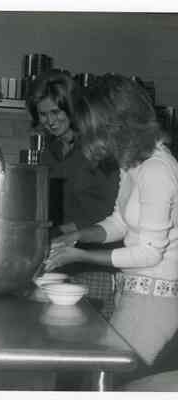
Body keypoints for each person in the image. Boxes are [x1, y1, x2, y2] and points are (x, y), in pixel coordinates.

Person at [45, 74, 178, 377]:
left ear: (118, 123)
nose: (91, 138)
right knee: (105, 377)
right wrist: (78, 237)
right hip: (133, 293)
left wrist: (81, 256)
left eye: (95, 129)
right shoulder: (133, 163)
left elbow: (149, 253)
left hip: (156, 301)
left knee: (112, 379)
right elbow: (119, 222)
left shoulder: (158, 169)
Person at [28, 71, 120, 318]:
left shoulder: (97, 148)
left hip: (95, 261)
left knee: (91, 333)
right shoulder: (50, 152)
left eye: (56, 112)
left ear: (72, 109)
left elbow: (113, 210)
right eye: (43, 114)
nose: (50, 121)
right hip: (62, 261)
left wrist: (65, 231)